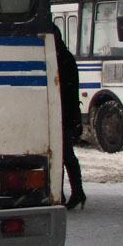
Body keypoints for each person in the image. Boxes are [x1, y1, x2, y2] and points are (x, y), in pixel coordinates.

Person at [53, 27, 86, 210]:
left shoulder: (56, 59)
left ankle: (67, 192)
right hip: (68, 113)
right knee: (66, 155)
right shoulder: (67, 57)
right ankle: (76, 192)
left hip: (61, 114)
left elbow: (64, 89)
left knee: (62, 154)